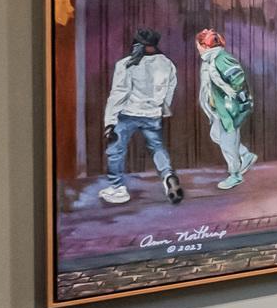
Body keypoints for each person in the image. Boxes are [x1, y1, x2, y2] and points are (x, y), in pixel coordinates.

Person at [100, 27, 180, 205]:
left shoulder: (126, 64)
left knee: (116, 150)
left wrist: (110, 121)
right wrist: (161, 108)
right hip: (153, 114)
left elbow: (118, 94)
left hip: (127, 114)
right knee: (157, 147)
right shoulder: (167, 63)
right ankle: (168, 175)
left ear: (136, 44)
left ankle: (117, 188)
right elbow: (170, 89)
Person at [195, 29, 256, 190]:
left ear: (204, 45)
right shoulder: (211, 59)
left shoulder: (221, 59)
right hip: (220, 108)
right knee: (216, 135)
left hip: (229, 109)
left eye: (198, 45)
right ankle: (245, 155)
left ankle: (235, 175)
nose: (198, 48)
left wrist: (232, 98)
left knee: (228, 142)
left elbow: (238, 79)